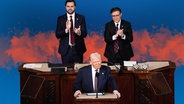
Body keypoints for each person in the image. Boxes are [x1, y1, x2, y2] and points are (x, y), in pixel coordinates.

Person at [55, 0, 87, 65]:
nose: (70, 8)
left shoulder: (81, 18)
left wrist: (79, 32)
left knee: (78, 71)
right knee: (66, 71)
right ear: (65, 7)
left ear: (75, 7)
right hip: (66, 50)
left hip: (78, 49)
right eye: (68, 6)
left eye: (72, 6)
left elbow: (85, 34)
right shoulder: (61, 18)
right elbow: (57, 34)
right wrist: (66, 30)